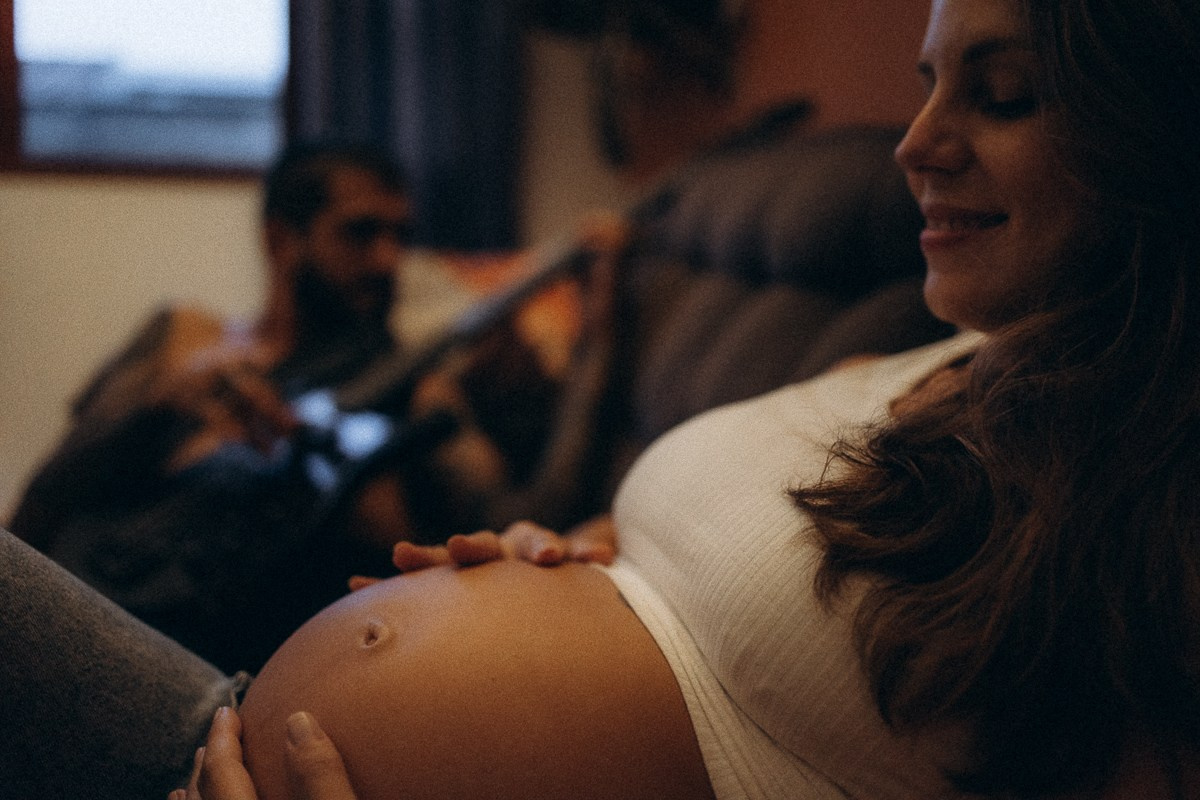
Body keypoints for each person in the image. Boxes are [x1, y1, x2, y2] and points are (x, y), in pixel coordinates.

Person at [176, 0, 1200, 796]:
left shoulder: (1149, 499)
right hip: (233, 739)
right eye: (929, 84)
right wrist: (554, 550)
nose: (914, 142)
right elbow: (654, 554)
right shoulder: (893, 367)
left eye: (1007, 91)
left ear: (1158, 128)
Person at [7, 139, 416, 673]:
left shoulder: (412, 384)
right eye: (360, 232)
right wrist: (155, 404)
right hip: (56, 606)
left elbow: (499, 520)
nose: (388, 260)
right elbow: (44, 499)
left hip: (170, 661)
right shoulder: (183, 336)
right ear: (281, 239)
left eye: (400, 237)